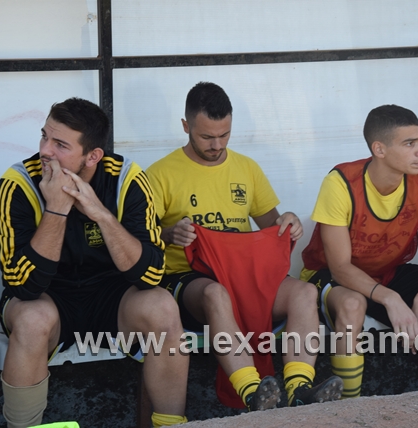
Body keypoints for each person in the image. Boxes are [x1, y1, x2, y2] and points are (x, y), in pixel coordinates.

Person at [146, 82, 342, 411]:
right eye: (207, 137)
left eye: (224, 135)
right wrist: (168, 234)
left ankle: (299, 388)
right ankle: (252, 393)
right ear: (185, 126)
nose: (217, 145)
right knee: (216, 294)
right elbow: (137, 239)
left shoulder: (247, 168)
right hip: (191, 280)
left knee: (305, 293)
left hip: (247, 275)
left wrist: (289, 221)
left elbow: (272, 226)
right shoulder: (159, 174)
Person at [0, 98, 188, 428]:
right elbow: (23, 287)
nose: (45, 151)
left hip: (112, 296)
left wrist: (101, 214)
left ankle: (170, 423)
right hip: (48, 298)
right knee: (31, 319)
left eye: (60, 145)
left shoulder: (127, 178)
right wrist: (56, 209)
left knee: (162, 308)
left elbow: (151, 275)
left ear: (93, 156)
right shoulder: (19, 182)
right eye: (44, 137)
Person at [301, 104, 418, 398]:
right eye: (410, 143)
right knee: (352, 304)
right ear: (379, 149)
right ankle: (349, 408)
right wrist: (391, 299)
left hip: (387, 273)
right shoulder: (340, 182)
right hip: (332, 277)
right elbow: (340, 267)